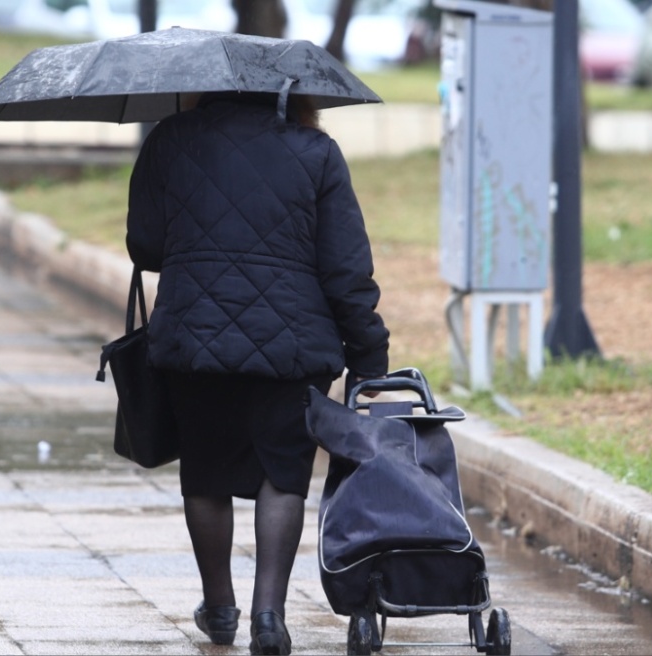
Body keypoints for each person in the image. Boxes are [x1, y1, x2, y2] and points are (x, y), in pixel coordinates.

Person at [126, 89, 389, 656]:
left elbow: (144, 245)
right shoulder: (316, 152)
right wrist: (370, 352)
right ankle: (270, 617)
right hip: (292, 346)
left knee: (205, 471)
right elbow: (345, 267)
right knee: (283, 474)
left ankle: (219, 607)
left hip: (193, 340)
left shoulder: (169, 141)